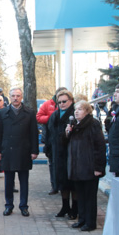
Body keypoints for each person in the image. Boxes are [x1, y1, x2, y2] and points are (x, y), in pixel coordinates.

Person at [0, 87, 39, 216]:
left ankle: (24, 206)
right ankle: (9, 205)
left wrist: (34, 151)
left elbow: (33, 133)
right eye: (13, 96)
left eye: (18, 96)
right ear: (9, 97)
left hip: (24, 151)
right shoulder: (3, 112)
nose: (15, 98)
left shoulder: (29, 112)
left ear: (21, 97)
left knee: (24, 181)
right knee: (8, 181)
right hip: (8, 151)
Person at [65, 101, 106, 231]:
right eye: (75, 109)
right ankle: (82, 219)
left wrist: (99, 168)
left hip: (89, 167)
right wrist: (67, 133)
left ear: (87, 111)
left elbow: (100, 147)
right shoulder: (75, 125)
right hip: (77, 168)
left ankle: (90, 223)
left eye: (80, 109)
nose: (76, 112)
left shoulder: (93, 124)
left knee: (89, 197)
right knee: (80, 196)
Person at [46, 90, 77, 219]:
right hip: (57, 152)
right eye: (59, 102)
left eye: (64, 101)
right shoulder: (55, 115)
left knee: (73, 182)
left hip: (71, 153)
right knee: (62, 181)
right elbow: (48, 133)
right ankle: (65, 206)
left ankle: (75, 208)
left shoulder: (75, 114)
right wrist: (48, 148)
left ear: (71, 101)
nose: (62, 104)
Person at [37, 88, 63, 194]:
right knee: (52, 163)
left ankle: (64, 186)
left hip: (64, 139)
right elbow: (39, 117)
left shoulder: (70, 105)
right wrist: (52, 117)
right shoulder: (47, 104)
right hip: (50, 138)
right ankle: (54, 185)